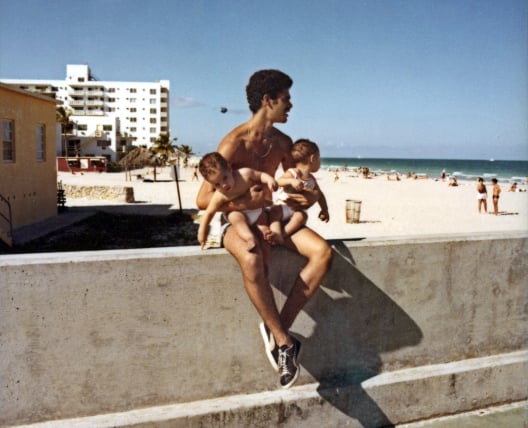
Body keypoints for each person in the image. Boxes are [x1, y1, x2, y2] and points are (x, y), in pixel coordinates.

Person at [196, 69, 332, 389]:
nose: (291, 105)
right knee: (252, 256)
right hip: (236, 219)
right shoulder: (233, 143)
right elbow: (203, 200)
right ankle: (285, 343)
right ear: (268, 100)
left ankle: (278, 331)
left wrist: (310, 198)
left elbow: (296, 186)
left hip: (271, 216)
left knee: (322, 253)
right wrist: (246, 204)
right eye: (286, 99)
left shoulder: (283, 143)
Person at [196, 152, 277, 250]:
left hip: (256, 209)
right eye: (217, 184)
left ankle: (267, 233)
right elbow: (209, 213)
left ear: (229, 169)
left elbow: (260, 175)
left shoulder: (244, 174)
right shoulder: (220, 195)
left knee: (263, 220)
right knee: (235, 218)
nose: (224, 185)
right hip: (237, 213)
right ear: (211, 184)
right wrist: (202, 233)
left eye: (225, 178)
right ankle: (249, 238)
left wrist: (269, 179)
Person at [269, 139, 330, 244]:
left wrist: (325, 210)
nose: (320, 161)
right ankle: (275, 232)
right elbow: (279, 181)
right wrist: (291, 181)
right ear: (312, 158)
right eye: (319, 158)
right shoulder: (293, 172)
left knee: (302, 217)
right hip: (284, 206)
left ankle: (282, 235)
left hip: (297, 210)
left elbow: (320, 195)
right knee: (274, 212)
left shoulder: (312, 179)